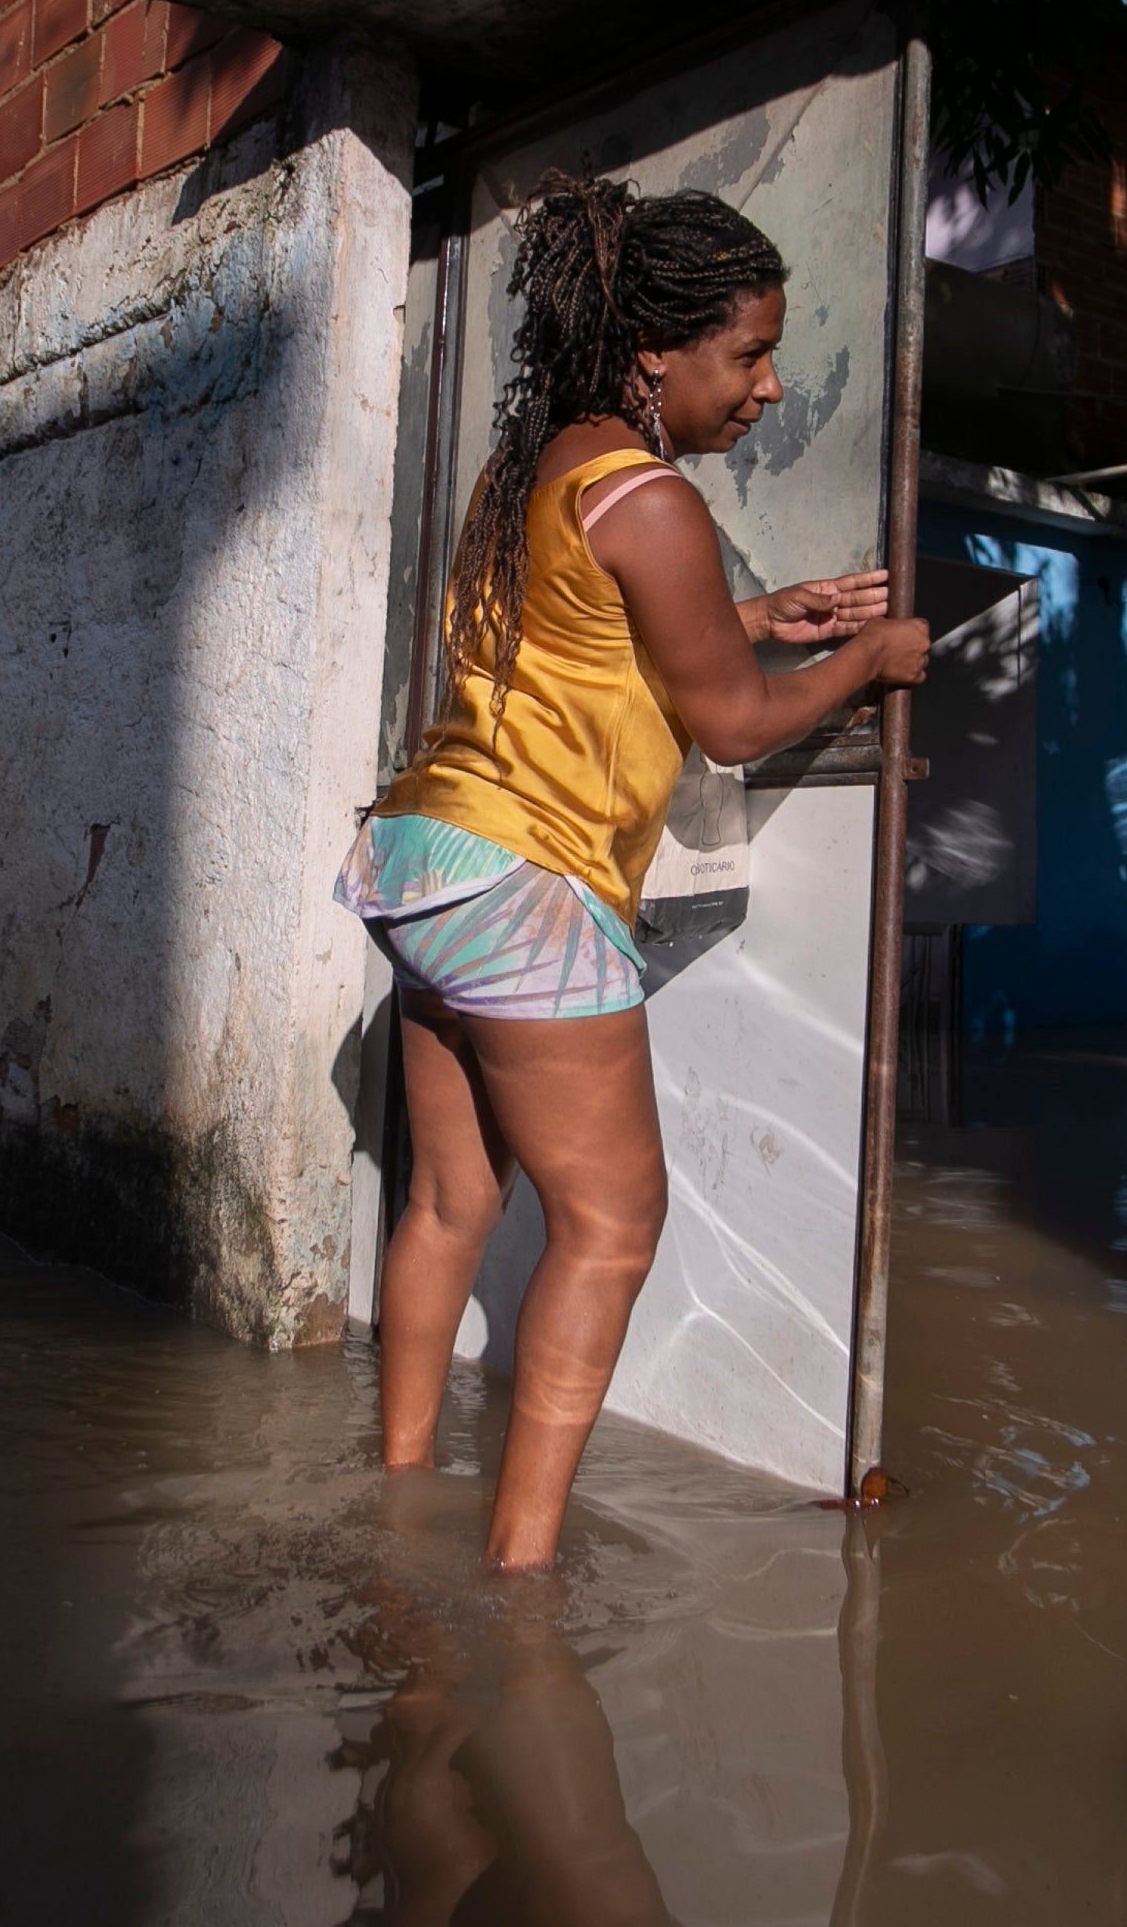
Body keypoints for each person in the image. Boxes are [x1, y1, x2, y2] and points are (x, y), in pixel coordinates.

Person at [342, 171, 928, 1571]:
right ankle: (520, 1573)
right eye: (751, 354)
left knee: (451, 1201)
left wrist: (757, 613)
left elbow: (592, 640)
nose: (771, 388)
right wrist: (863, 663)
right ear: (662, 350)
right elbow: (727, 718)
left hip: (426, 854)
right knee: (613, 1224)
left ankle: (398, 1497)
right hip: (522, 882)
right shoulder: (653, 499)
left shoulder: (551, 463)